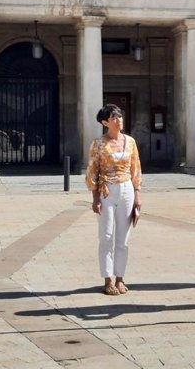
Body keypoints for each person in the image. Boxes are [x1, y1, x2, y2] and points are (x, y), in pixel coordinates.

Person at [86, 104, 142, 296]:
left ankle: (120, 277)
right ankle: (108, 278)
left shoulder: (131, 142)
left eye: (120, 116)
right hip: (106, 189)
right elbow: (93, 170)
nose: (119, 120)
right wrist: (95, 197)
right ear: (105, 122)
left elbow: (136, 168)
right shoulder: (98, 144)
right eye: (114, 118)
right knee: (106, 236)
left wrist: (138, 195)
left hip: (126, 188)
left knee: (123, 239)